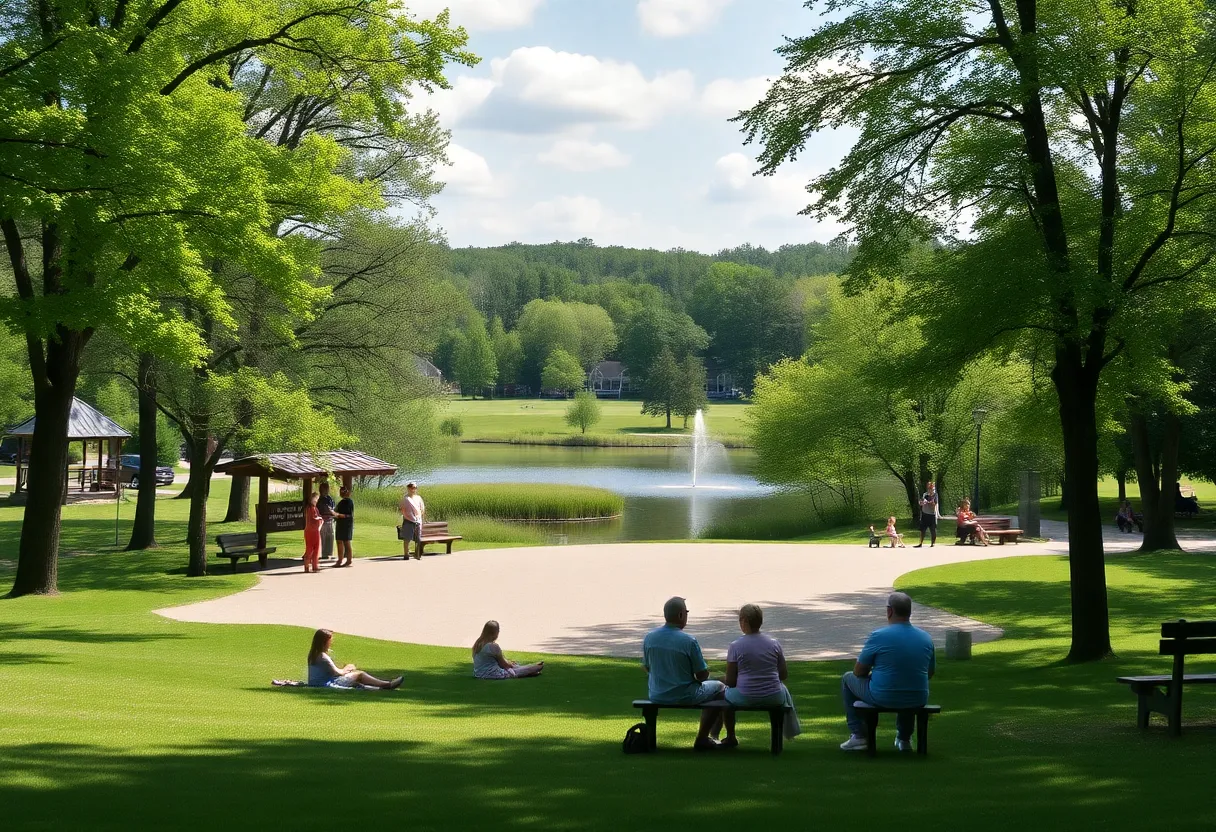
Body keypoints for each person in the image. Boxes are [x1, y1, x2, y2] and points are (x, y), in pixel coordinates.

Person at [839, 592, 936, 752]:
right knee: (907, 682)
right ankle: (904, 738)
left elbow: (858, 671)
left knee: (847, 678)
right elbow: (929, 673)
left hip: (882, 695)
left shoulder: (879, 636)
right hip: (918, 696)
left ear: (890, 611)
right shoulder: (926, 638)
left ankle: (858, 735)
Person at [642, 596, 726, 751]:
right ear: (681, 615)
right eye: (686, 612)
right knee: (720, 687)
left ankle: (709, 737)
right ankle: (705, 737)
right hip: (684, 694)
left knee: (712, 687)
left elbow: (647, 667)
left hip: (657, 693)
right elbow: (702, 675)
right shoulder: (688, 641)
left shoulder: (650, 637)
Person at [721, 604, 801, 748]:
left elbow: (731, 682)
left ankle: (730, 736)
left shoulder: (736, 646)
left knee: (724, 696)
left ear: (744, 621)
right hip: (773, 695)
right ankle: (777, 742)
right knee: (780, 691)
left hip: (746, 696)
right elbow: (783, 674)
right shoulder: (774, 644)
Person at [307, 629, 402, 689]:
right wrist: (347, 668)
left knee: (355, 679)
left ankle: (377, 687)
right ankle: (387, 685)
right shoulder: (322, 656)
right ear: (324, 642)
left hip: (319, 683)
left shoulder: (314, 654)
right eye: (330, 641)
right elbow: (337, 673)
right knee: (360, 675)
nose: (331, 643)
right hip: (325, 685)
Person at [472, 620, 544, 679]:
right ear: (495, 633)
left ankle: (528, 670)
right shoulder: (493, 646)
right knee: (537, 667)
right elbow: (504, 665)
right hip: (493, 674)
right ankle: (532, 668)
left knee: (515, 666)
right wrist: (510, 664)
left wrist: (510, 663)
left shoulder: (477, 643)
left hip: (478, 673)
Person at [399, 481, 425, 561]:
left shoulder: (418, 498)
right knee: (407, 538)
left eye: (414, 487)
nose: (412, 489)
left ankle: (417, 554)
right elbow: (402, 510)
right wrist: (409, 517)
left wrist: (418, 517)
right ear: (408, 488)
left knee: (418, 538)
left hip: (418, 521)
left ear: (416, 489)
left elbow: (422, 508)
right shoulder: (405, 499)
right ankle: (406, 554)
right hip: (408, 521)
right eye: (411, 487)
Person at [334, 486, 355, 567]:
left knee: (346, 542)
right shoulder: (341, 502)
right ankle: (340, 560)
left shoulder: (349, 502)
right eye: (341, 491)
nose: (341, 493)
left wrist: (341, 515)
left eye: (343, 491)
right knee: (339, 541)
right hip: (340, 524)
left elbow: (349, 515)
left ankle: (349, 560)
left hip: (347, 524)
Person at [914, 481, 940, 547]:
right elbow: (921, 502)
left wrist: (931, 502)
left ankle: (933, 543)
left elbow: (935, 504)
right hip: (925, 514)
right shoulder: (925, 494)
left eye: (933, 489)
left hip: (932, 514)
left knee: (933, 529)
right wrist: (922, 502)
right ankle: (920, 543)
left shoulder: (935, 495)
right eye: (930, 488)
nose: (932, 490)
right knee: (922, 530)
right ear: (928, 489)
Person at [303, 491, 323, 573]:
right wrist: (321, 519)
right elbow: (315, 517)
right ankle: (313, 566)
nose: (316, 501)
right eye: (316, 499)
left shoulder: (309, 508)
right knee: (314, 548)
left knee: (310, 548)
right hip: (313, 531)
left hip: (309, 531)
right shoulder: (312, 508)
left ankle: (308, 566)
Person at [318, 481, 336, 561]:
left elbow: (332, 507)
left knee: (330, 537)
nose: (327, 490)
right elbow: (326, 509)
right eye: (325, 488)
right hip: (324, 521)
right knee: (323, 537)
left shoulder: (329, 498)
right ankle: (324, 554)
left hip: (330, 520)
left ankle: (329, 553)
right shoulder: (320, 500)